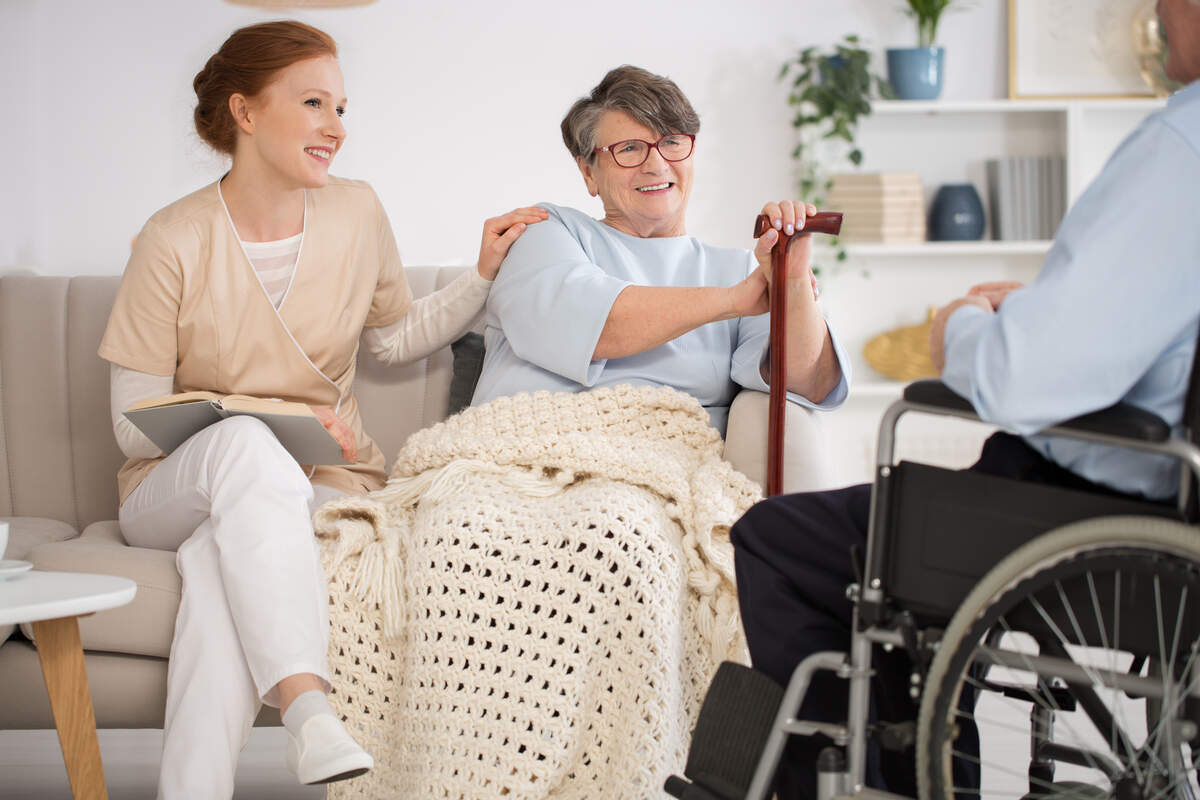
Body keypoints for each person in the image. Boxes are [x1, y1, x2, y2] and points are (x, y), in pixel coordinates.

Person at [729, 0, 1200, 796]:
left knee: (774, 538)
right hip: (1158, 494)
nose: (1157, 10)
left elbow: (1017, 379)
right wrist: (1041, 307)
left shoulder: (1181, 143)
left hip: (1082, 504)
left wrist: (966, 324)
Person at [98, 20, 545, 799]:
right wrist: (259, 417)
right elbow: (132, 420)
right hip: (174, 485)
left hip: (326, 480)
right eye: (313, 103)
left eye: (341, 108)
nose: (336, 128)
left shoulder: (357, 210)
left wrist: (481, 275)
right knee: (244, 448)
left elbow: (393, 337)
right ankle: (308, 705)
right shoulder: (172, 239)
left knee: (215, 566)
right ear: (244, 111)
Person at [471, 64, 849, 434]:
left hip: (662, 464)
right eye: (629, 148)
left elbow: (808, 383)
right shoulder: (547, 230)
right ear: (588, 172)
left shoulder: (738, 270)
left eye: (671, 142)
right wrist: (732, 299)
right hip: (522, 451)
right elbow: (600, 327)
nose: (656, 164)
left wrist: (794, 280)